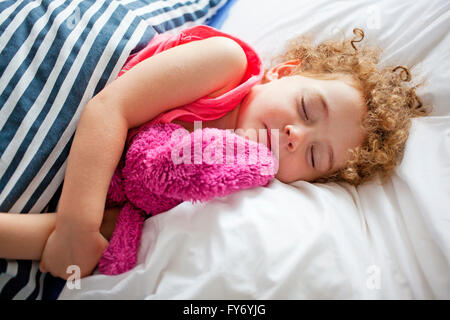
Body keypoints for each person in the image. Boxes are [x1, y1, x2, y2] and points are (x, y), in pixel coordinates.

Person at [0, 25, 430, 279]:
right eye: (305, 108)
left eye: (315, 156)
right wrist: (77, 225)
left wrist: (74, 243)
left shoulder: (218, 181)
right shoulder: (226, 67)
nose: (296, 134)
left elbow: (99, 234)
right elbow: (110, 107)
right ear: (283, 72)